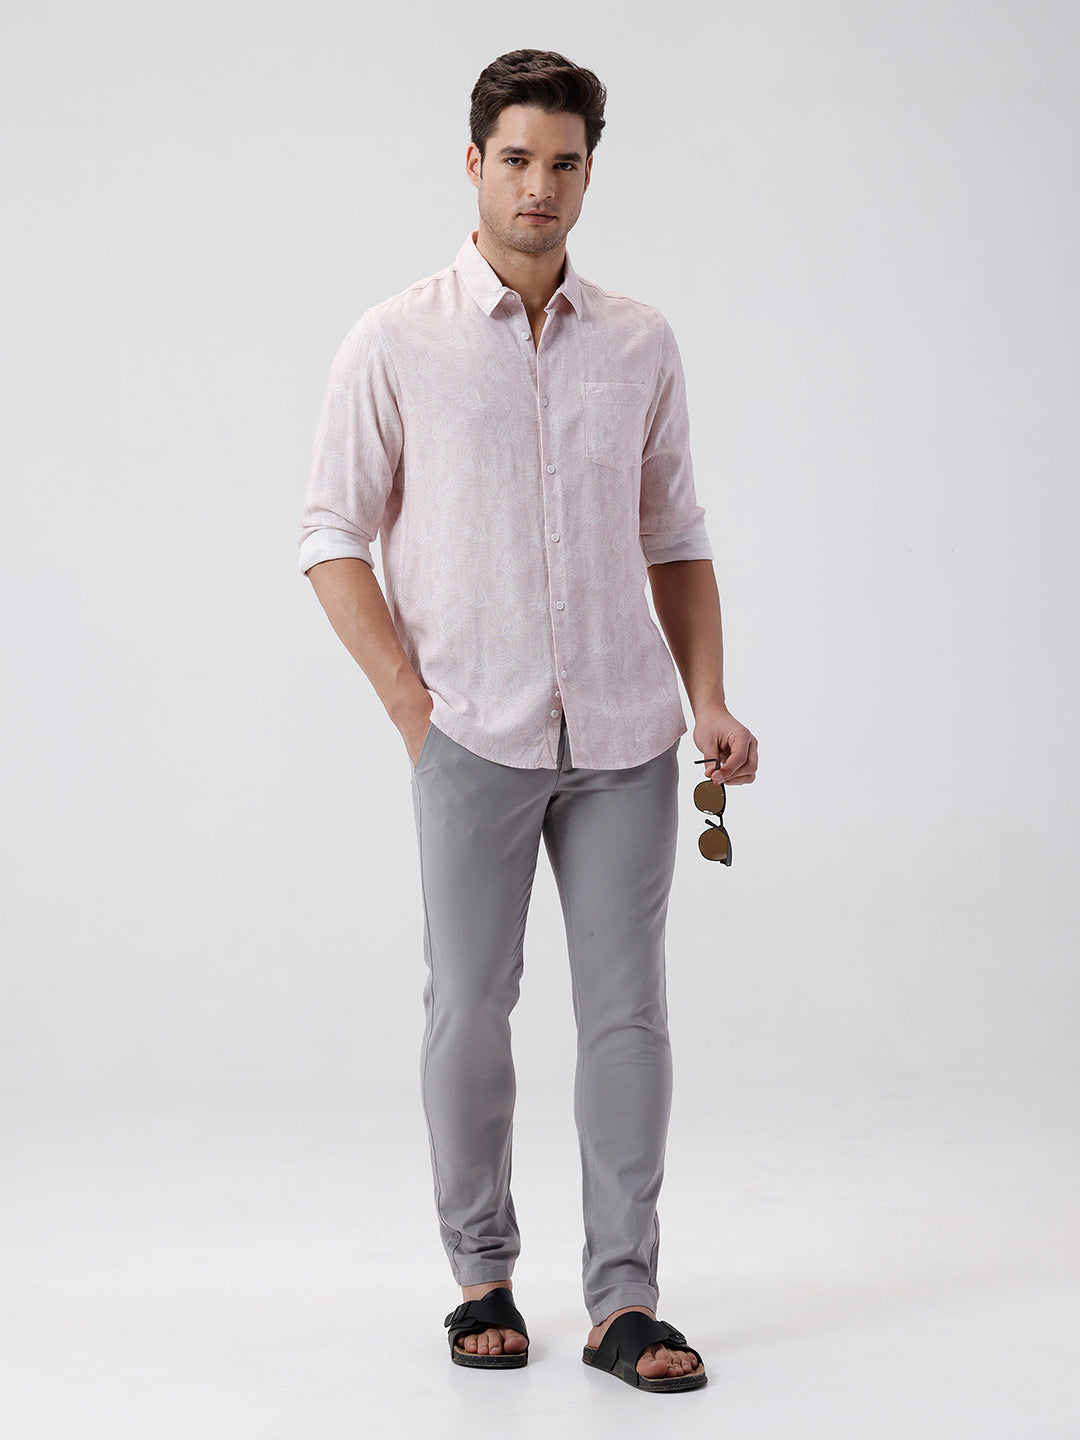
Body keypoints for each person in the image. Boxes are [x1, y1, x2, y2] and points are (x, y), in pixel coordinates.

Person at [297, 48, 757, 1394]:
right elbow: (329, 533)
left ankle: (626, 1303)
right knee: (470, 1011)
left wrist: (709, 697)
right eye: (516, 160)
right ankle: (481, 1277)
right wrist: (411, 705)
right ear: (474, 165)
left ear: (590, 173)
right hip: (473, 736)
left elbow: (675, 534)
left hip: (625, 733)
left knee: (629, 1016)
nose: (539, 185)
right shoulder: (396, 339)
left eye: (564, 162)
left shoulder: (641, 341)